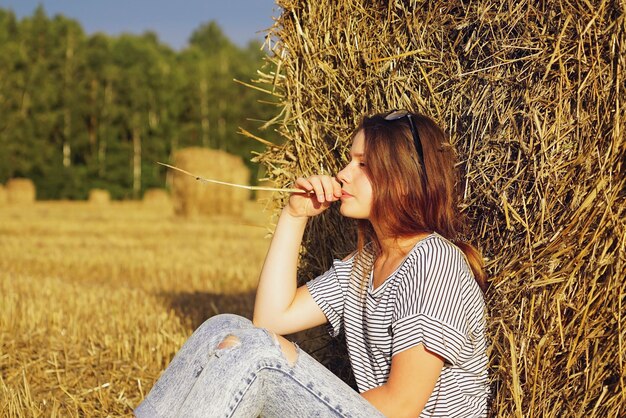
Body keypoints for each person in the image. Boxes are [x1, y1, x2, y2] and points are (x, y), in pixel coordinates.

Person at [135, 110, 489, 417]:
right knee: (223, 325)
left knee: (260, 353)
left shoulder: (433, 262)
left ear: (401, 179)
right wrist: (293, 215)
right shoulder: (366, 264)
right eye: (350, 160)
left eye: (363, 164)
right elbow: (272, 319)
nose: (343, 174)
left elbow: (401, 406)